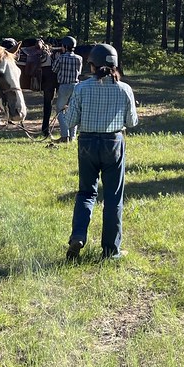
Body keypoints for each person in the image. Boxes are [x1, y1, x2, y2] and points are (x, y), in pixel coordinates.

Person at [64, 43, 139, 262]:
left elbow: (69, 123)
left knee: (86, 193)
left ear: (92, 65)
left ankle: (78, 235)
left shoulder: (81, 88)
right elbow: (132, 122)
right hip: (113, 143)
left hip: (87, 142)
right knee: (114, 198)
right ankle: (110, 251)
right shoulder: (125, 89)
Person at [51, 35, 82, 143]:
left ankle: (65, 135)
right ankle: (72, 137)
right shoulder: (79, 58)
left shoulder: (61, 57)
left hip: (64, 86)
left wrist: (56, 58)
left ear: (64, 46)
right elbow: (80, 72)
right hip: (75, 86)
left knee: (59, 111)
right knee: (73, 111)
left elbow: (54, 69)